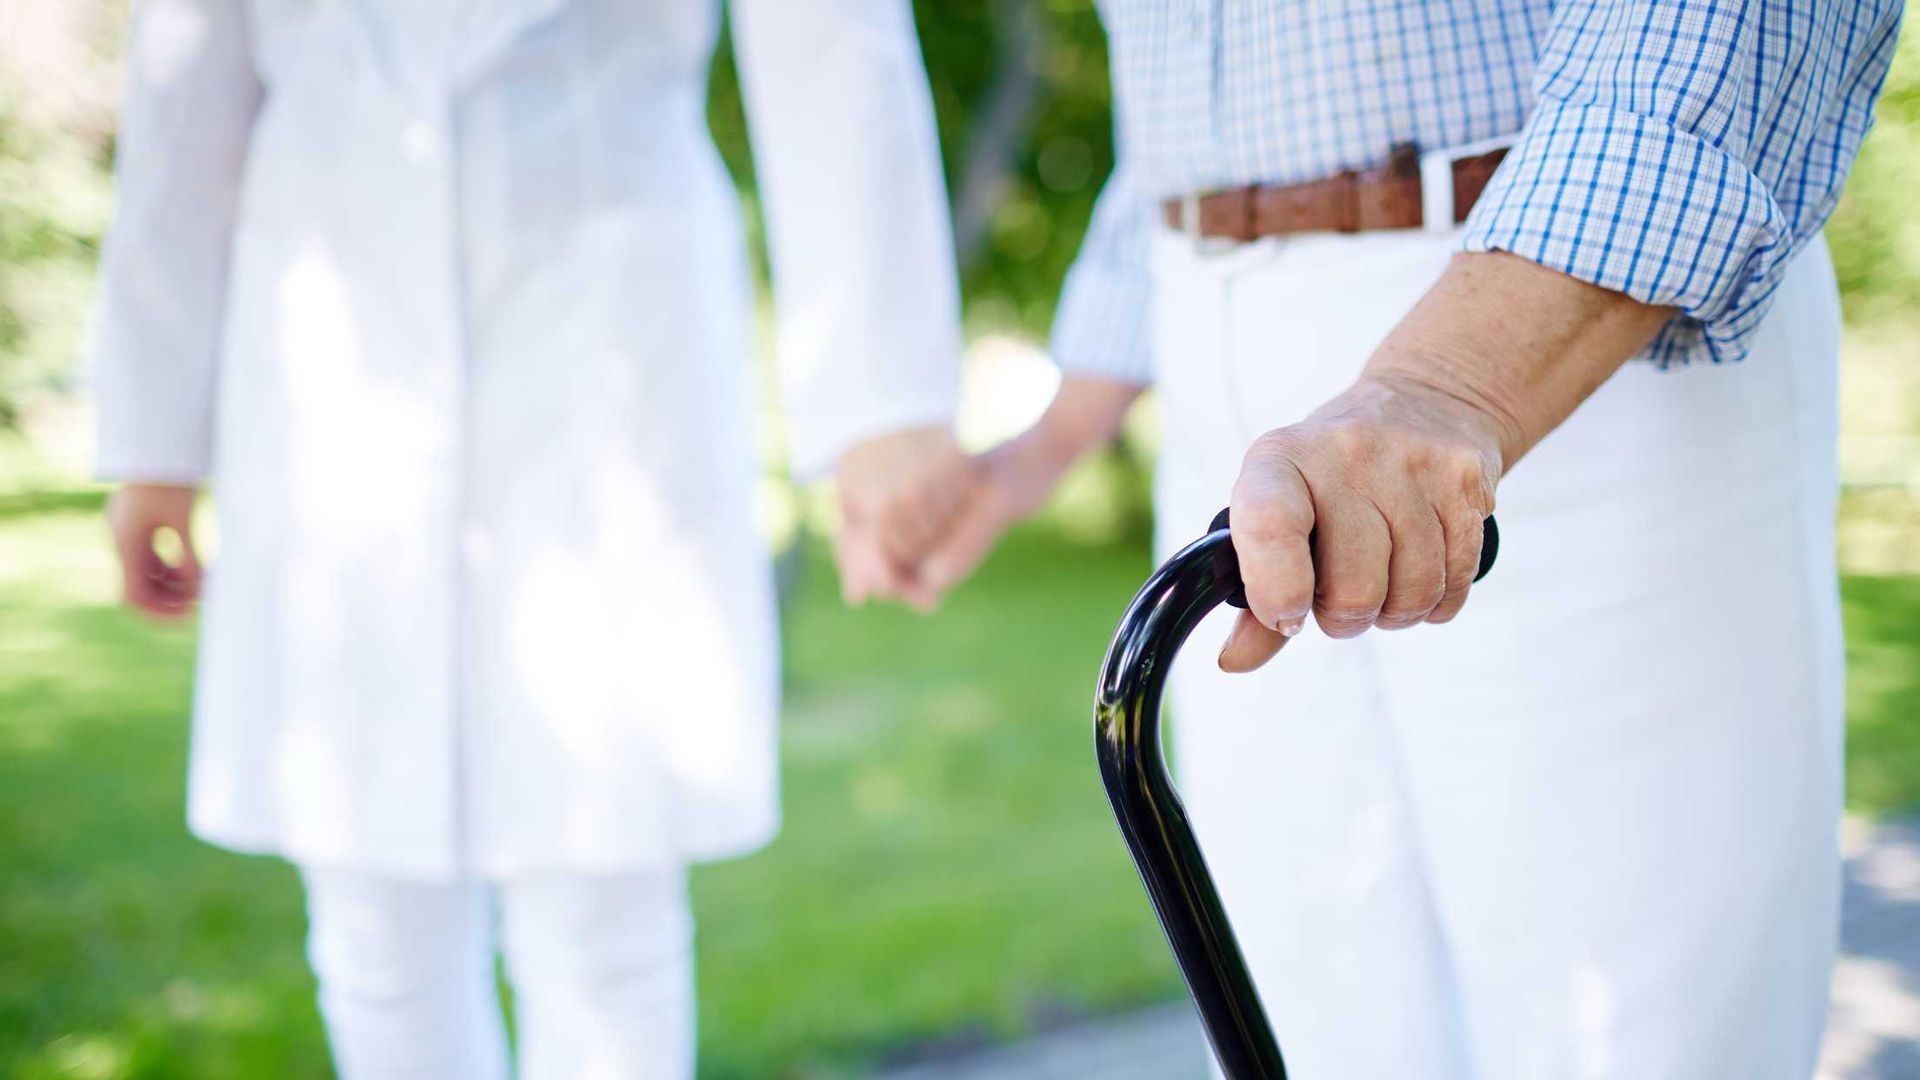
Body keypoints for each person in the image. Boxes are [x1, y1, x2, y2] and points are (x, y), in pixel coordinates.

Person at [886, 2, 1905, 1077]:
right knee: (1313, 1023)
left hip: (1561, 302)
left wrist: (1447, 384)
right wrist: (1045, 444)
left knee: (1631, 1039)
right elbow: (1197, 105)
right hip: (1218, 340)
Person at [92, 1, 967, 1076]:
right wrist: (152, 433)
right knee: (373, 912)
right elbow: (182, 90)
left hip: (610, 324)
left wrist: (885, 407)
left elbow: (829, 39)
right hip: (324, 346)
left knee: (606, 898)